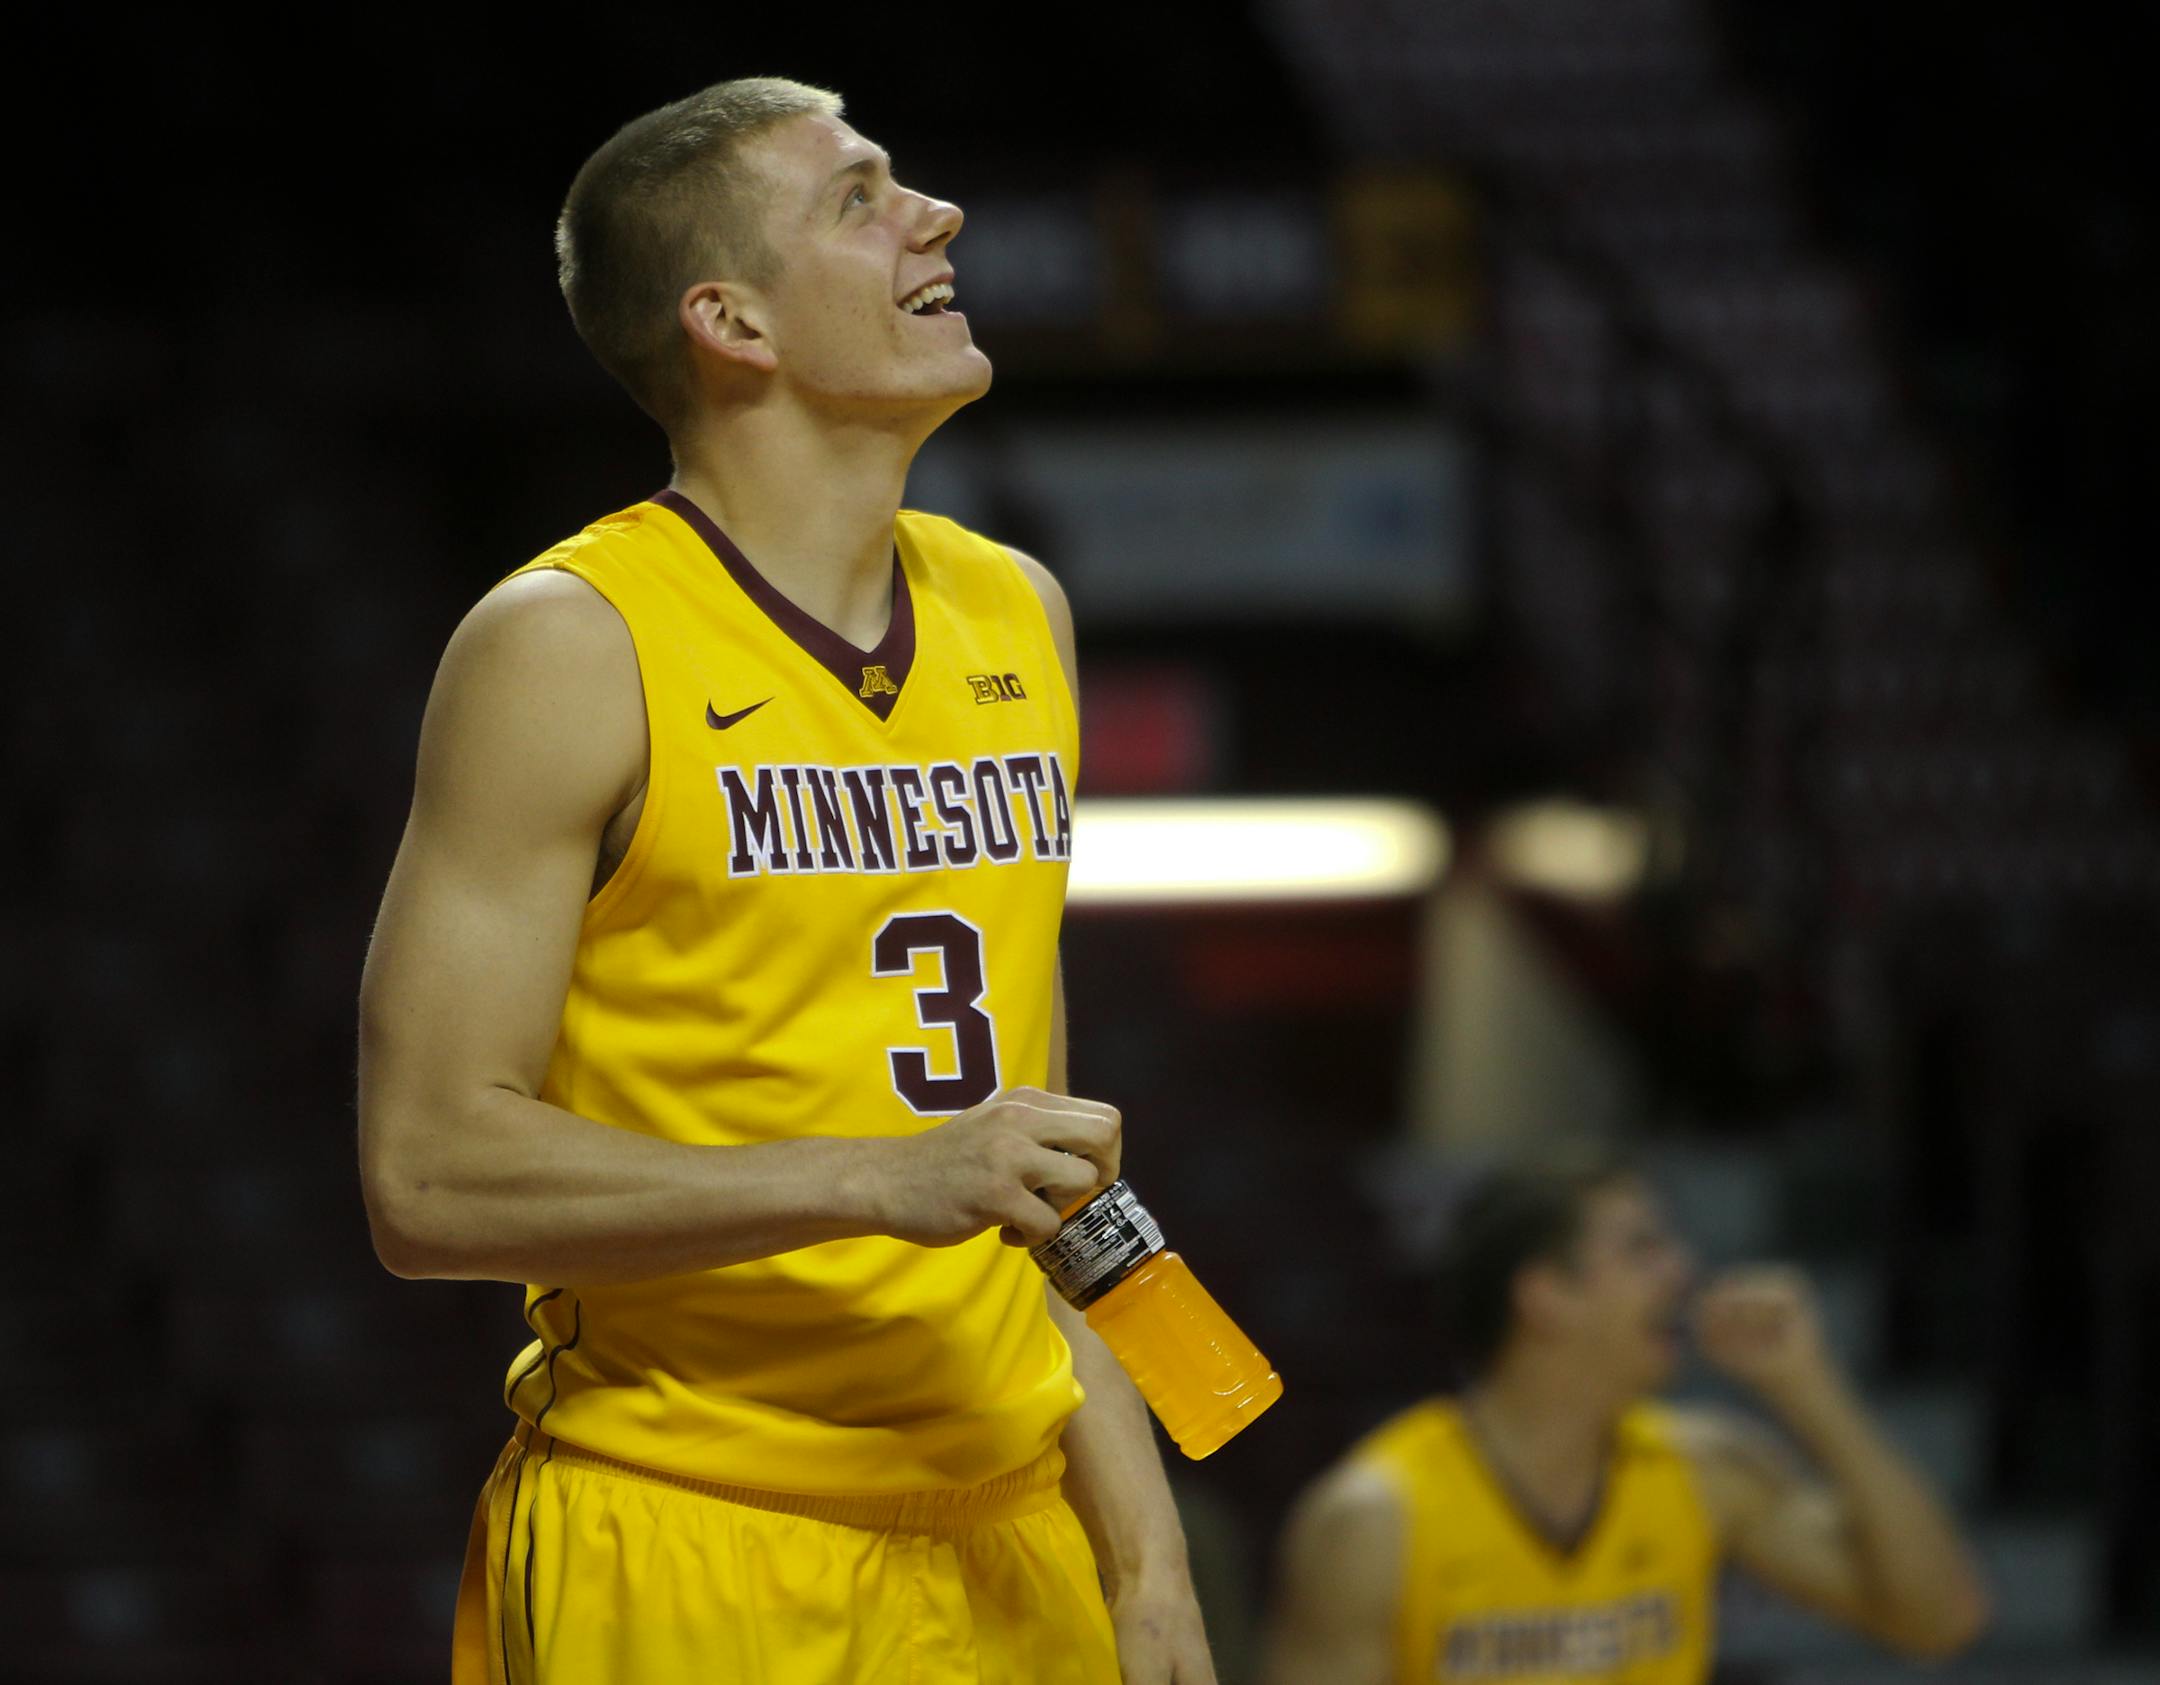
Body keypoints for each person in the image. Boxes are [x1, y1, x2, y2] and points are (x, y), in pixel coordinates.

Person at [356, 76, 1213, 1684]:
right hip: (694, 1527)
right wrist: (876, 1179)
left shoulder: (1017, 610)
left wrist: (1148, 1563)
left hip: (1016, 1531)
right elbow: (427, 1176)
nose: (937, 215)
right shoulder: (569, 642)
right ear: (730, 321)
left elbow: (1034, 1165)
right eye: (859, 197)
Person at [1262, 1147, 1991, 1683]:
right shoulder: (1373, 1522)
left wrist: (1809, 1388)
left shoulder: (1704, 1470)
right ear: (1545, 1295)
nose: (1681, 1269)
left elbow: (1939, 1620)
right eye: (1643, 1248)